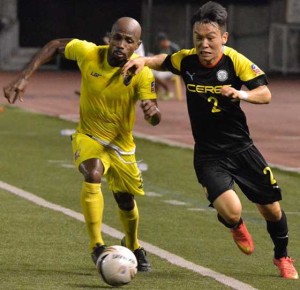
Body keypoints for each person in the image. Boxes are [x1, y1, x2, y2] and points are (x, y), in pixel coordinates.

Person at [123, 1, 299, 279]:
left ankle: (282, 257)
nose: (203, 44)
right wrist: (142, 60)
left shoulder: (235, 60)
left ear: (223, 38)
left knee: (272, 210)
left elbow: (265, 93)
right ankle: (234, 224)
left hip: (242, 148)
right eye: (198, 38)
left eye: (210, 38)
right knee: (232, 212)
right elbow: (163, 60)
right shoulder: (187, 59)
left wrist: (240, 94)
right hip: (208, 155)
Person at [3, 17, 161, 272]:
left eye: (128, 40)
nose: (121, 44)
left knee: (125, 200)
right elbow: (55, 45)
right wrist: (24, 76)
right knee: (93, 173)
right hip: (89, 136)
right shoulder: (89, 53)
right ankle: (97, 246)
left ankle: (133, 244)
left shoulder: (141, 73)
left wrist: (152, 111)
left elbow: (154, 118)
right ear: (110, 36)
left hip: (121, 146)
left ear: (137, 45)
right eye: (117, 37)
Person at [152, 32, 180, 100]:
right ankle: (158, 91)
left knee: (157, 76)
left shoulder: (173, 47)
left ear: (164, 41)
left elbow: (180, 59)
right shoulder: (159, 48)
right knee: (150, 73)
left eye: (160, 42)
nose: (159, 44)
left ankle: (168, 92)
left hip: (173, 70)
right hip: (162, 69)